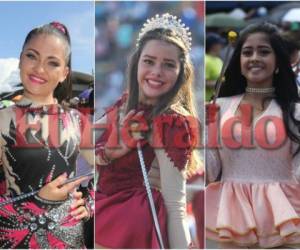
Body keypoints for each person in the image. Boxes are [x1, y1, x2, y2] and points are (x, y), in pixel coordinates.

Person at [95, 13, 202, 249]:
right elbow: (80, 153)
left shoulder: (172, 122)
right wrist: (110, 153)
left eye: (168, 65)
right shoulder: (123, 105)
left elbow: (176, 206)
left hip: (134, 232)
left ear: (181, 73)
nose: (156, 71)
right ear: (136, 63)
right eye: (149, 61)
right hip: (99, 221)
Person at [206, 22, 300, 249]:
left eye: (264, 51)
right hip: (232, 223)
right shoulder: (218, 108)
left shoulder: (295, 112)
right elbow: (209, 171)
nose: (254, 57)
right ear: (239, 62)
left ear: (278, 62)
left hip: (285, 223)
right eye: (247, 52)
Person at [0, 22, 94, 249]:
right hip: (16, 238)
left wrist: (90, 202)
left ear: (64, 73)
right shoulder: (3, 120)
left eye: (52, 62)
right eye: (32, 56)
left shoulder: (78, 121)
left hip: (70, 238)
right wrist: (35, 200)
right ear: (21, 59)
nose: (40, 69)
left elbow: (110, 172)